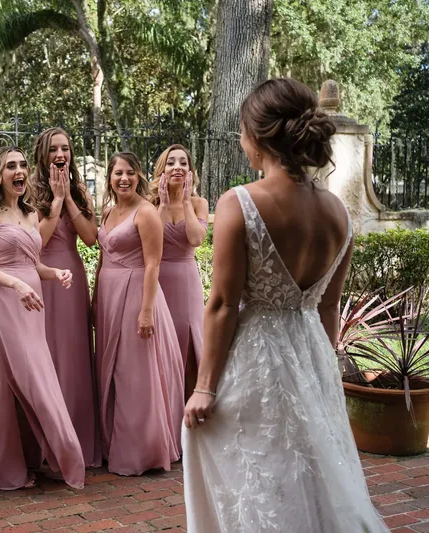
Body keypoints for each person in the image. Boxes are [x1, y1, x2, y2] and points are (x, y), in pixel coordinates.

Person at [182, 78, 388, 533]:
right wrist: (321, 369)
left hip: (255, 357)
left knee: (262, 471)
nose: (241, 141)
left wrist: (205, 387)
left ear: (259, 136)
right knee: (312, 473)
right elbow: (329, 307)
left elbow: (222, 303)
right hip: (312, 350)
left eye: (242, 131)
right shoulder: (339, 212)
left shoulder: (239, 203)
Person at [0, 146, 85, 490]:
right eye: (10, 166)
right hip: (3, 301)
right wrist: (16, 284)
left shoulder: (30, 213)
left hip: (32, 305)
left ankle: (40, 456)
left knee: (36, 375)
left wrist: (54, 273)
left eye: (22, 165)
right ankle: (3, 467)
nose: (19, 171)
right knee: (8, 379)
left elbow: (34, 263)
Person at [94, 152, 184, 476]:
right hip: (108, 297)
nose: (124, 179)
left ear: (139, 177)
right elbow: (102, 259)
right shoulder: (107, 211)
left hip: (136, 295)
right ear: (109, 178)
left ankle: (142, 450)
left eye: (130, 173)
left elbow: (153, 264)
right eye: (118, 173)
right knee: (111, 370)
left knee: (134, 373)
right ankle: (113, 443)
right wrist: (95, 301)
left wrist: (146, 312)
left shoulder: (146, 212)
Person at [30, 128, 101, 468]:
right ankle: (47, 445)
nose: (60, 154)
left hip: (72, 278)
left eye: (66, 148)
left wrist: (69, 197)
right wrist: (55, 201)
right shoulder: (30, 190)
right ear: (42, 154)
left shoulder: (81, 190)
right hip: (44, 277)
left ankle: (77, 441)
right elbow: (36, 243)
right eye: (53, 149)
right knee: (47, 353)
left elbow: (90, 238)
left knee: (73, 355)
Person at [149, 144, 209, 409]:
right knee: (160, 343)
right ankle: (163, 410)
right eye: (171, 162)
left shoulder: (198, 203)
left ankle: (190, 410)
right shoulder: (149, 204)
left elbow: (196, 239)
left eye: (183, 163)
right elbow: (151, 242)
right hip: (156, 278)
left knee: (188, 340)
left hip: (186, 281)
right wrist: (163, 205)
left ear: (190, 171)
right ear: (162, 170)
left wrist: (185, 201)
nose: (177, 167)